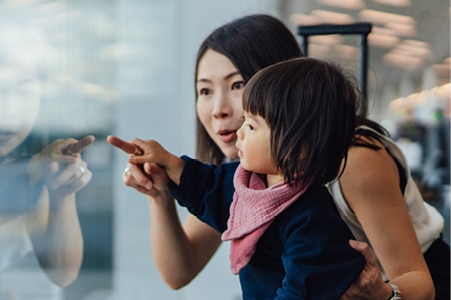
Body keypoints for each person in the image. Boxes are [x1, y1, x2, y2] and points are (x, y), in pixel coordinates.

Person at [108, 14, 448, 300]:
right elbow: (179, 272)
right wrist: (160, 191)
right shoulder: (251, 176)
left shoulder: (350, 159)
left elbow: (419, 281)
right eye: (205, 90)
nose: (219, 110)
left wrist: (382, 294)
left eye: (238, 85)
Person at [112, 57, 367, 299]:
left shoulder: (313, 223)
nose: (240, 133)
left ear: (296, 149)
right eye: (244, 120)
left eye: (252, 126)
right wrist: (166, 161)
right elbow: (207, 186)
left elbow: (301, 291)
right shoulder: (249, 181)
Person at [0, 22, 94, 294]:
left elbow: (62, 272)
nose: (11, 111)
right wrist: (33, 170)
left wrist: (62, 193)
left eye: (25, 91)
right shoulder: (26, 169)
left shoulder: (25, 165)